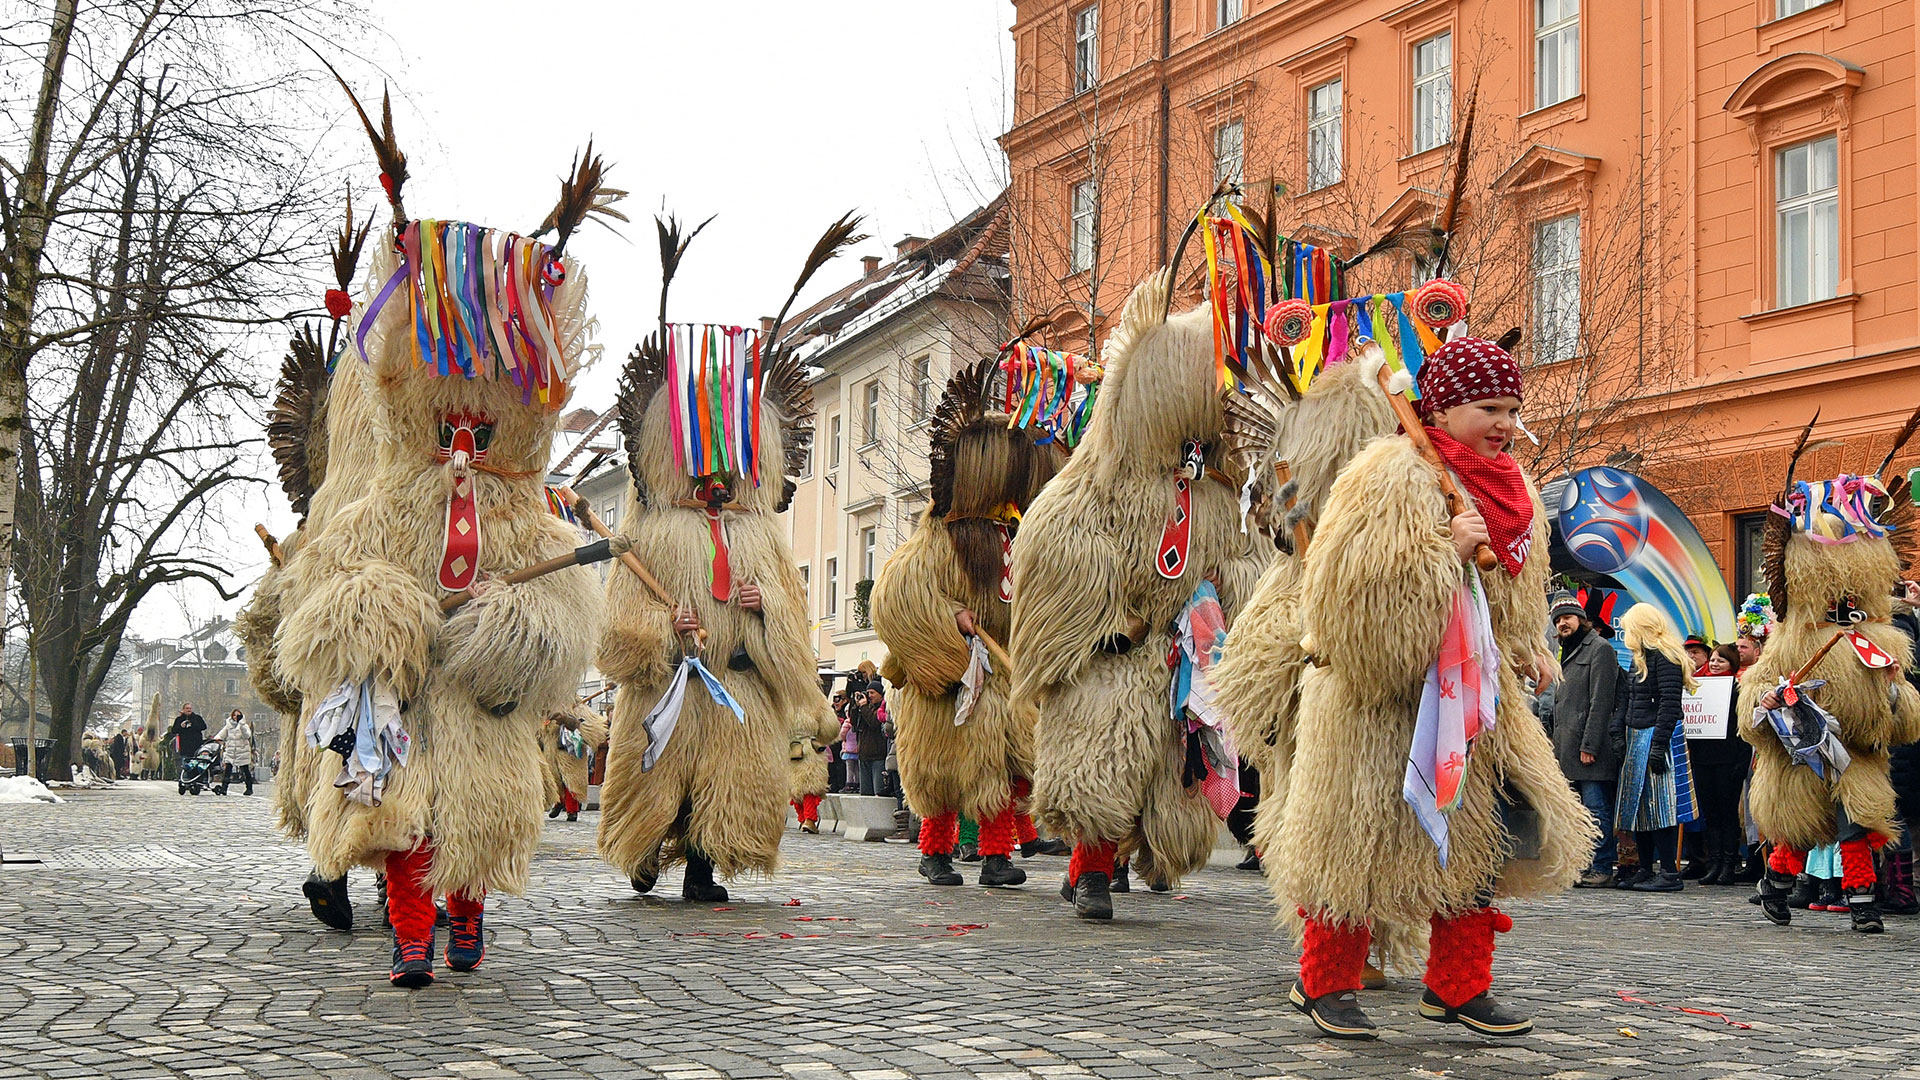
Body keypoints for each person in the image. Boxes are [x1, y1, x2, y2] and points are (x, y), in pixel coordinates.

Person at [273, 115, 609, 986]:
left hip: (481, 704)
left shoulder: (529, 512)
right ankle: (411, 935)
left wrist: (510, 618)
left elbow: (566, 621)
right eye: (450, 411)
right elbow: (327, 584)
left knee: (479, 817)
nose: (466, 431)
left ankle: (468, 920)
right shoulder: (390, 495)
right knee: (405, 818)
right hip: (409, 700)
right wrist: (385, 610)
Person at [1248, 334, 1595, 1039]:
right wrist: (1449, 554)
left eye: (1509, 407)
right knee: (1353, 850)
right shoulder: (1388, 476)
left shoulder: (1515, 486)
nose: (1502, 422)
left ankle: (1459, 987)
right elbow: (1348, 596)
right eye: (1484, 406)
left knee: (1474, 851)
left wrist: (1527, 644)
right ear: (1442, 405)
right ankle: (1326, 985)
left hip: (1474, 704)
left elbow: (1515, 590)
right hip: (1382, 707)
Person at [1010, 268, 1271, 923]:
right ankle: (1093, 872)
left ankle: (1121, 863)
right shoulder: (1097, 483)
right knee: (1103, 754)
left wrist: (1217, 611)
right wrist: (1101, 618)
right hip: (1116, 653)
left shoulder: (1219, 494)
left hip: (1185, 659)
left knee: (1170, 773)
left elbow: (1246, 561)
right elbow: (1058, 540)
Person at [595, 222, 836, 909]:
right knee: (659, 780)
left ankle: (702, 866)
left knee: (727, 789)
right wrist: (661, 624)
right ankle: (646, 852)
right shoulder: (653, 530)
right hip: (671, 687)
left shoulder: (763, 534)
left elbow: (792, 625)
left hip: (740, 694)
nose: (718, 481)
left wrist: (768, 615)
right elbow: (619, 625)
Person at [870, 356, 1064, 889]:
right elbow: (894, 595)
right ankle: (935, 851)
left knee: (1000, 769)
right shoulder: (938, 537)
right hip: (948, 684)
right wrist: (948, 618)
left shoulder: (1011, 536)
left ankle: (998, 857)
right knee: (940, 773)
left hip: (1000, 675)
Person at [1741, 423, 1920, 934]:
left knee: (1858, 824)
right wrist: (1772, 698)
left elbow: (1905, 710)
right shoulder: (1793, 636)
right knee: (1798, 829)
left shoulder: (1883, 638)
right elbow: (1755, 692)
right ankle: (1774, 886)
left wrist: (1892, 700)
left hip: (1858, 752)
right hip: (1805, 753)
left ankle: (1863, 902)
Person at [1610, 604, 1696, 893]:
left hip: (1658, 737)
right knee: (1638, 809)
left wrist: (1658, 746)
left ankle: (1670, 872)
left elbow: (1670, 705)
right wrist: (1618, 732)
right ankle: (1646, 869)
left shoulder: (1666, 658)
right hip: (1636, 735)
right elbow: (1627, 699)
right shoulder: (1640, 658)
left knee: (1661, 808)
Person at [1545, 591, 1625, 888]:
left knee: (1596, 810)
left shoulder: (1599, 649)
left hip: (1590, 749)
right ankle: (1584, 865)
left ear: (1581, 619)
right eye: (1558, 620)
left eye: (1567, 617)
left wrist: (1589, 745)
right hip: (1566, 749)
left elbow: (1601, 701)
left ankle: (1602, 866)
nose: (1562, 624)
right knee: (1578, 814)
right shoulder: (1566, 651)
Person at [1688, 644, 1750, 885]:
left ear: (1731, 664)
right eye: (1712, 660)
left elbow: (1744, 728)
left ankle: (1728, 863)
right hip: (1703, 757)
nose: (1714, 664)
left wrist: (1741, 761)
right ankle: (1713, 862)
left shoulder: (1738, 688)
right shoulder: (1699, 685)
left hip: (1728, 758)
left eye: (1720, 661)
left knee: (1727, 814)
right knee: (1711, 814)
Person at [852, 687, 889, 797]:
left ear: (881, 695)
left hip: (878, 756)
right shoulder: (866, 707)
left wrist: (864, 707)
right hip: (864, 755)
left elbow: (874, 723)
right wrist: (856, 705)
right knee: (865, 794)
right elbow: (853, 722)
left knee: (879, 792)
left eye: (872, 693)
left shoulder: (882, 709)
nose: (870, 696)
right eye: (868, 693)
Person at [212, 709, 255, 796]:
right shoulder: (228, 725)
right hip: (231, 750)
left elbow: (247, 735)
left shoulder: (244, 725)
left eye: (238, 715)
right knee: (228, 770)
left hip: (242, 750)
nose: (236, 717)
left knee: (245, 769)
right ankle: (224, 788)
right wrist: (216, 739)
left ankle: (249, 788)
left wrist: (241, 724)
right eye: (234, 715)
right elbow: (221, 734)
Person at [168, 703, 206, 785]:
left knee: (197, 763)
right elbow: (174, 730)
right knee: (186, 764)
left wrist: (193, 725)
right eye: (187, 708)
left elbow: (203, 726)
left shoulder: (197, 718)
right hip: (185, 746)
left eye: (190, 708)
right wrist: (181, 727)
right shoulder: (179, 719)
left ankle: (197, 781)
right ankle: (185, 781)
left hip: (196, 745)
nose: (189, 710)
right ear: (183, 710)